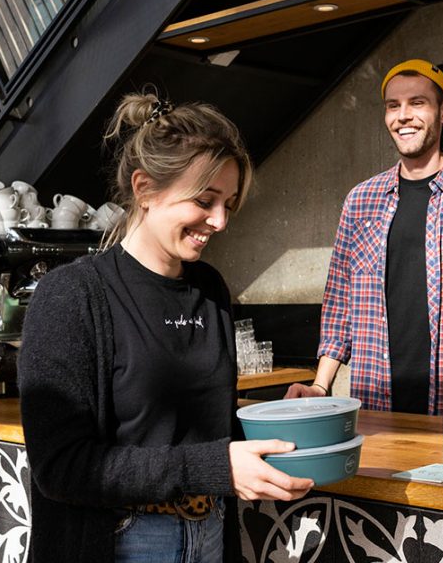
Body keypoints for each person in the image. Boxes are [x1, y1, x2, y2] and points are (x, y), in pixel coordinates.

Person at [18, 91, 313, 563]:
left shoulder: (209, 288)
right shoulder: (72, 295)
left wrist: (277, 416)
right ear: (144, 188)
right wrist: (213, 467)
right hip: (121, 541)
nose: (220, 221)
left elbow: (199, 428)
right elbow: (61, 467)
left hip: (210, 534)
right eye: (205, 200)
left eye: (229, 204)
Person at [287, 59, 443, 419]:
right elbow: (339, 305)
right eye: (393, 106)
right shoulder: (361, 201)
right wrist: (320, 385)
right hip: (374, 407)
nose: (403, 116)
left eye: (417, 103)